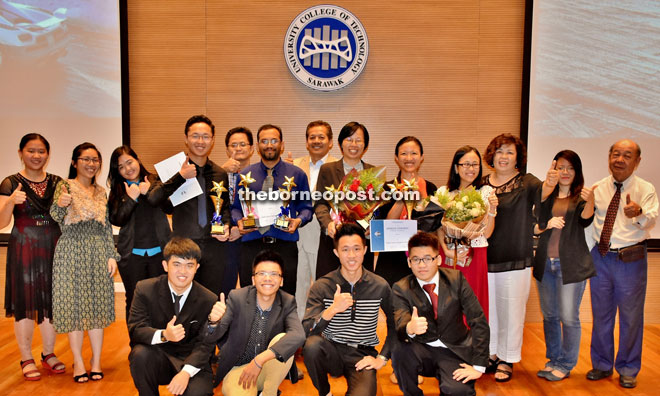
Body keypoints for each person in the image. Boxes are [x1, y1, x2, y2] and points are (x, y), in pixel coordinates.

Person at [585, 139, 658, 389]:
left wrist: (638, 214)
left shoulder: (645, 188)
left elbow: (651, 221)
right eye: (616, 154)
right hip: (601, 257)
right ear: (609, 157)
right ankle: (602, 365)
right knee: (601, 315)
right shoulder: (598, 188)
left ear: (637, 162)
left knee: (631, 317)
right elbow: (590, 226)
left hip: (631, 259)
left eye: (627, 156)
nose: (620, 159)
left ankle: (628, 368)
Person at [481, 133, 552, 382]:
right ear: (492, 155)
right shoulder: (481, 184)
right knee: (488, 310)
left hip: (515, 257)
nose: (504, 156)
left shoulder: (528, 183)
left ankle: (507, 359)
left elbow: (545, 200)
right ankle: (490, 353)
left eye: (510, 152)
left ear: (518, 158)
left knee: (511, 310)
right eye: (500, 151)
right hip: (485, 257)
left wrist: (551, 185)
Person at [50, 142, 119, 383]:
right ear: (74, 162)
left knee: (98, 308)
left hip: (99, 251)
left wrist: (112, 255)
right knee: (74, 308)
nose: (91, 164)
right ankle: (78, 361)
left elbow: (107, 227)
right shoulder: (64, 186)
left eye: (95, 160)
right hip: (70, 251)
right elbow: (55, 217)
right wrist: (60, 205)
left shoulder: (102, 191)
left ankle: (96, 360)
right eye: (86, 159)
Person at [302, 223, 396, 396]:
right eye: (345, 250)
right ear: (336, 253)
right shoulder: (323, 286)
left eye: (356, 249)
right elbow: (307, 330)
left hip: (362, 354)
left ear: (365, 250)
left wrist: (381, 359)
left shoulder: (380, 285)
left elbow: (395, 324)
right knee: (312, 346)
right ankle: (325, 392)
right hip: (332, 350)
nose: (351, 256)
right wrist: (331, 310)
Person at [391, 232, 489, 396]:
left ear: (438, 259)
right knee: (399, 348)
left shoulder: (456, 279)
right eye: (416, 259)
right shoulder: (401, 288)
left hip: (454, 351)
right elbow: (400, 320)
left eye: (428, 258)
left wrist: (478, 367)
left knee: (457, 391)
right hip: (421, 349)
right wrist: (410, 327)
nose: (422, 265)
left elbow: (478, 320)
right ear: (409, 262)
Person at [0, 133, 64, 381]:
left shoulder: (58, 182)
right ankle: (26, 357)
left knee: (51, 302)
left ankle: (48, 354)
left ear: (48, 155)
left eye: (41, 151)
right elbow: (2, 222)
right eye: (31, 151)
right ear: (20, 153)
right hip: (24, 247)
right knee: (25, 303)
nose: (36, 156)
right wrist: (9, 203)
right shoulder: (9, 183)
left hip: (54, 246)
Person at [202, 250, 306, 396]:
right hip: (238, 368)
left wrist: (259, 360)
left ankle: (268, 392)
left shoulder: (287, 301)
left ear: (281, 281)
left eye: (274, 274)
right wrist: (213, 322)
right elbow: (212, 337)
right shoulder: (237, 297)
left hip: (267, 367)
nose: (268, 278)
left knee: (284, 339)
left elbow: (299, 335)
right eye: (262, 274)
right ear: (253, 279)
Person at [148, 115, 231, 295]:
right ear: (186, 139)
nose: (200, 141)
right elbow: (153, 199)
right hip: (183, 246)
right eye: (195, 136)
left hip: (214, 246)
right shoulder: (173, 168)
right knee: (182, 297)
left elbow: (224, 207)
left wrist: (226, 225)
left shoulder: (220, 173)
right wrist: (180, 177)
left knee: (211, 297)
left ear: (213, 140)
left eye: (206, 136)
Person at [533, 150, 595, 381]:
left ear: (576, 171)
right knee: (549, 315)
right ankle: (553, 360)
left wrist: (591, 201)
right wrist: (546, 224)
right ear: (553, 169)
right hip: (545, 265)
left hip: (571, 266)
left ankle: (566, 363)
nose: (565, 172)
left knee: (569, 317)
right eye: (560, 167)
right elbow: (536, 225)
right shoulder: (546, 197)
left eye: (570, 168)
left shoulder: (580, 198)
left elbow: (585, 219)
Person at [128, 237, 216, 396]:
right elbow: (135, 330)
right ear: (165, 265)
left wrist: (185, 373)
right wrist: (164, 335)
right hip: (159, 357)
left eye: (189, 265)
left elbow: (205, 345)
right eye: (177, 264)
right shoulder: (145, 289)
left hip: (192, 361)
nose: (183, 271)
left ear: (197, 268)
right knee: (140, 354)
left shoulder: (208, 299)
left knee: (198, 393)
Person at [231, 124, 313, 296]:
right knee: (249, 296)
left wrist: (298, 221)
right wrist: (239, 222)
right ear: (258, 146)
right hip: (252, 243)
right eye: (264, 141)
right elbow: (236, 209)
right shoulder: (245, 175)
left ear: (282, 145)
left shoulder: (297, 175)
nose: (269, 145)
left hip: (285, 244)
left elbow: (306, 208)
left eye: (274, 141)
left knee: (286, 297)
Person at [108, 145, 171, 321]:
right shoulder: (118, 189)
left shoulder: (155, 180)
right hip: (132, 256)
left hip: (160, 253)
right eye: (121, 167)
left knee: (161, 299)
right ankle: (136, 345)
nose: (128, 169)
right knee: (135, 301)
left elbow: (170, 207)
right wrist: (131, 199)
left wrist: (150, 191)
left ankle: (159, 344)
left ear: (138, 160)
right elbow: (116, 219)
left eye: (130, 162)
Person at [437, 145, 497, 320]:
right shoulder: (444, 193)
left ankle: (473, 344)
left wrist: (492, 210)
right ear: (456, 167)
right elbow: (439, 228)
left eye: (475, 164)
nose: (471, 169)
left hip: (475, 254)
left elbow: (486, 234)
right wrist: (446, 249)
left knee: (473, 301)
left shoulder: (485, 192)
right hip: (448, 253)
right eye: (466, 164)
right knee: (449, 302)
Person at [314, 121, 375, 279]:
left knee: (362, 291)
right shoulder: (328, 170)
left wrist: (373, 226)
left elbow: (377, 208)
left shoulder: (373, 173)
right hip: (333, 241)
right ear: (341, 143)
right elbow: (320, 203)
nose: (353, 144)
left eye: (358, 140)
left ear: (365, 145)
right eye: (349, 139)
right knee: (329, 289)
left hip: (360, 242)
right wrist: (328, 223)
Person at [376, 136, 437, 286]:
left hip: (422, 259)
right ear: (396, 158)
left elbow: (436, 225)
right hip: (392, 258)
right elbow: (384, 227)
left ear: (422, 157)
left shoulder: (431, 188)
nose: (409, 158)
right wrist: (400, 198)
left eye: (414, 153)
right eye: (404, 154)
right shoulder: (386, 188)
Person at [292, 120, 338, 319]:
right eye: (312, 137)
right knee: (297, 284)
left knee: (324, 286)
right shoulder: (293, 166)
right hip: (294, 232)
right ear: (306, 141)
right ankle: (299, 332)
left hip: (325, 234)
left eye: (321, 137)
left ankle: (323, 329)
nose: (316, 141)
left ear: (330, 142)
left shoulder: (339, 167)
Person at [220, 127, 255, 294]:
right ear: (227, 149)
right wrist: (222, 172)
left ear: (252, 149)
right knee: (224, 286)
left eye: (243, 144)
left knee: (252, 287)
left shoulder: (260, 174)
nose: (238, 148)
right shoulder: (218, 174)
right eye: (233, 145)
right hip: (225, 239)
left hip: (252, 237)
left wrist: (241, 230)